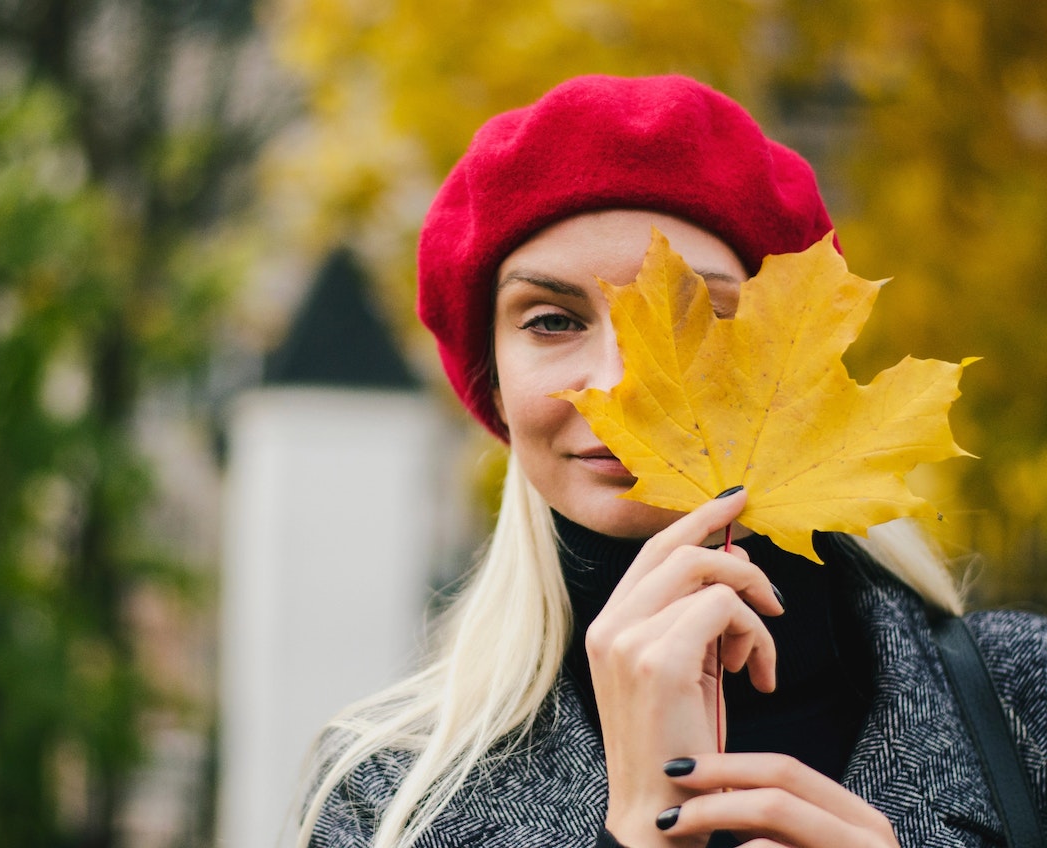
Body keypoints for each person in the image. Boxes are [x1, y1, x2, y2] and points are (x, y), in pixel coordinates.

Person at [296, 74, 1047, 848]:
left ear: (792, 372)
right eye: (552, 321)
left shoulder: (1028, 700)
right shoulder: (383, 794)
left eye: (697, 316)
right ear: (493, 379)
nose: (621, 384)